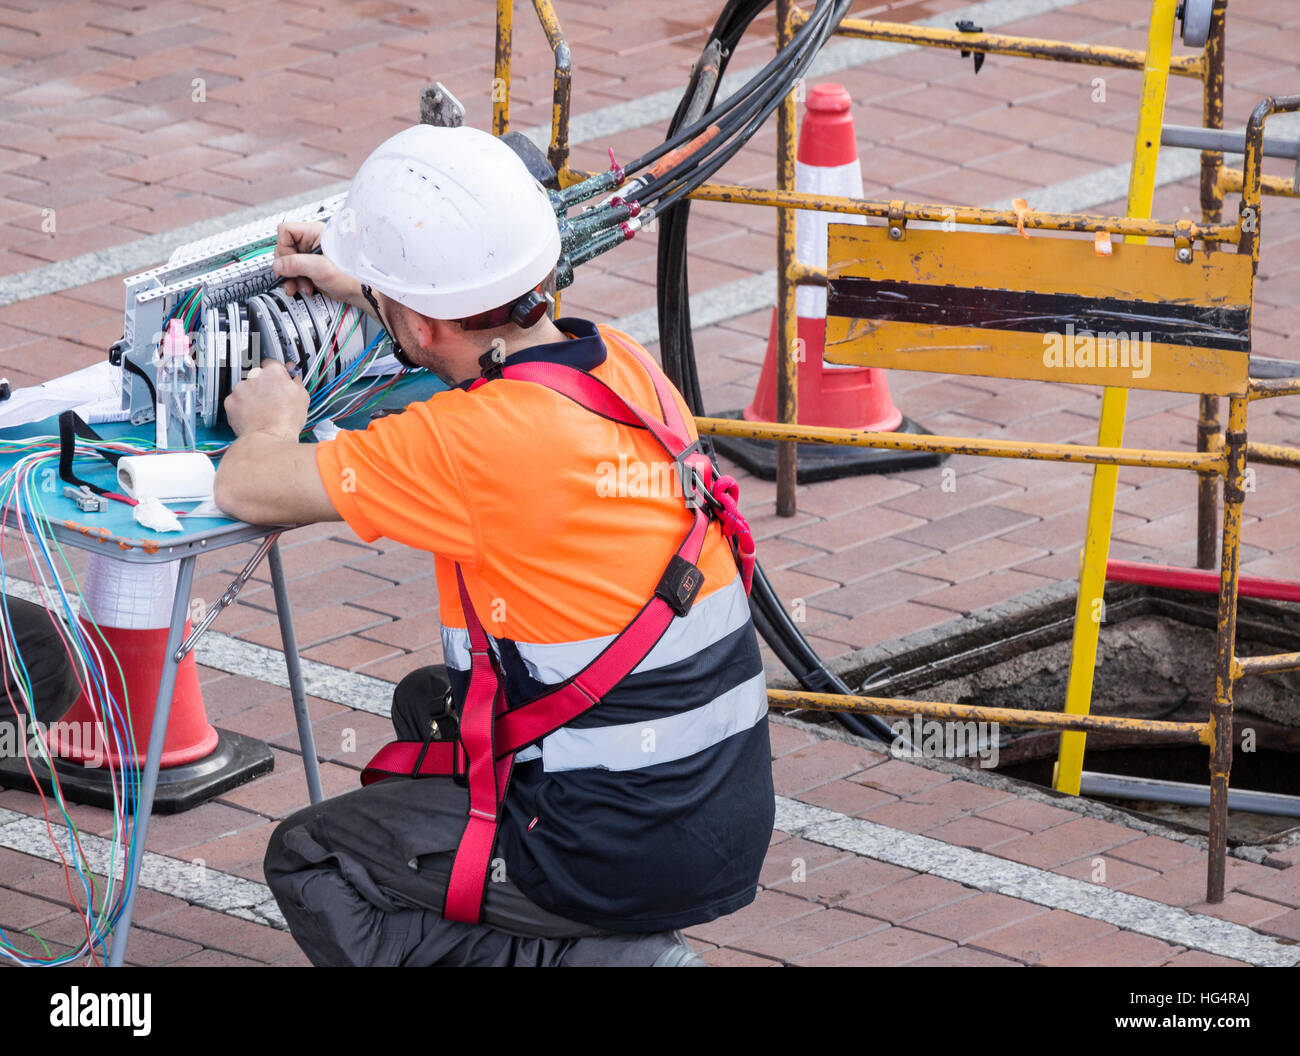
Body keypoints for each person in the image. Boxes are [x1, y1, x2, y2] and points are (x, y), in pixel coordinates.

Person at [214, 124, 774, 967]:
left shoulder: (468, 443)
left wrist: (272, 423)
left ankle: (601, 959)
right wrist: (376, 291)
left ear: (419, 320)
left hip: (611, 844)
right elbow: (464, 344)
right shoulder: (621, 364)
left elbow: (246, 485)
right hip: (720, 816)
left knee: (312, 857)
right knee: (430, 704)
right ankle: (593, 926)